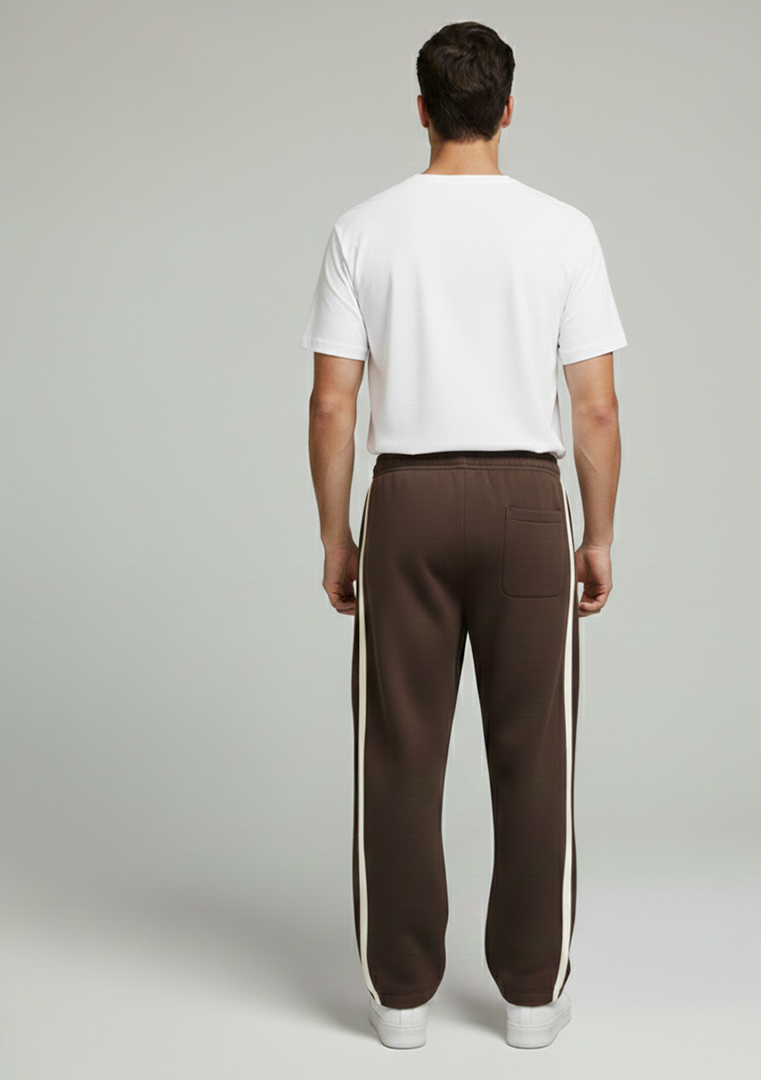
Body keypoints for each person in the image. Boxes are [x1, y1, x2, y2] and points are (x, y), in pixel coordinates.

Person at [301, 21, 625, 1050]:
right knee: (534, 753)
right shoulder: (564, 230)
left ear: (422, 110)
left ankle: (401, 1000)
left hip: (405, 502)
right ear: (509, 109)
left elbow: (332, 403)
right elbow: (597, 408)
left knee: (400, 753)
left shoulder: (363, 230)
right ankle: (530, 998)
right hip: (529, 504)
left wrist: (336, 536)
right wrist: (599, 535)